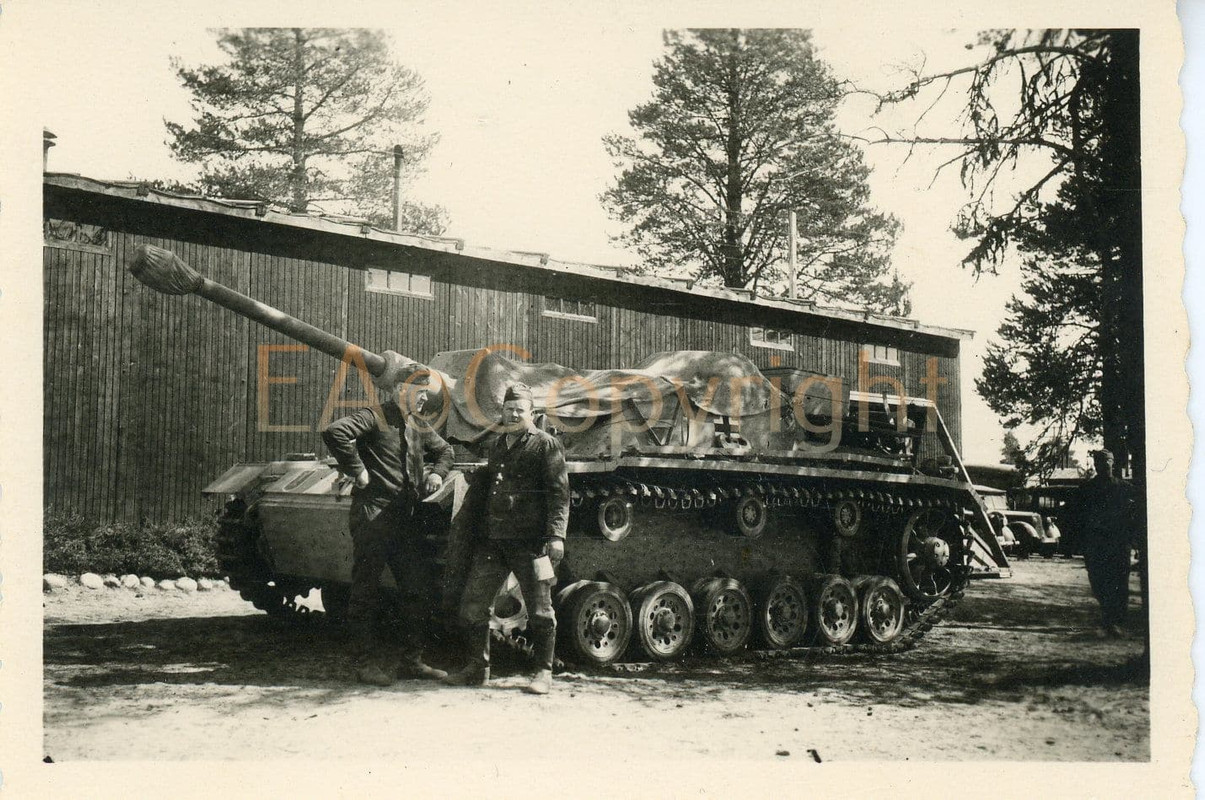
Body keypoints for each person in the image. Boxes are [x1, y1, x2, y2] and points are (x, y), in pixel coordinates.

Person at [322, 374, 455, 686]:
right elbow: (334, 432)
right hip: (374, 513)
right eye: (420, 393)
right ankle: (365, 665)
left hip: (403, 518)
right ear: (400, 390)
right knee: (365, 591)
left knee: (416, 588)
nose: (425, 399)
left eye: (427, 394)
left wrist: (437, 472)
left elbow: (447, 451)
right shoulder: (375, 416)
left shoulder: (417, 424)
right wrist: (358, 471)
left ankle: (412, 661)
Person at [442, 382, 570, 695]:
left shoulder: (546, 445)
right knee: (473, 606)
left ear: (532, 414)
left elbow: (559, 493)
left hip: (532, 544)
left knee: (541, 609)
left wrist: (556, 536)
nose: (513, 414)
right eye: (508, 409)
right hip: (495, 541)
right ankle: (477, 668)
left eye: (520, 410)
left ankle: (543, 671)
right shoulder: (499, 446)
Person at [1074, 449, 1138, 638]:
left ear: (1113, 463)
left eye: (1107, 461)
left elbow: (1135, 515)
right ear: (1095, 465)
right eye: (1099, 462)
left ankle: (1115, 622)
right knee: (1098, 581)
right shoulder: (1086, 489)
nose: (1104, 465)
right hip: (1096, 544)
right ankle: (1109, 617)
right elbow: (1078, 517)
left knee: (1119, 581)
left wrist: (1131, 537)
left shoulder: (1124, 488)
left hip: (1118, 543)